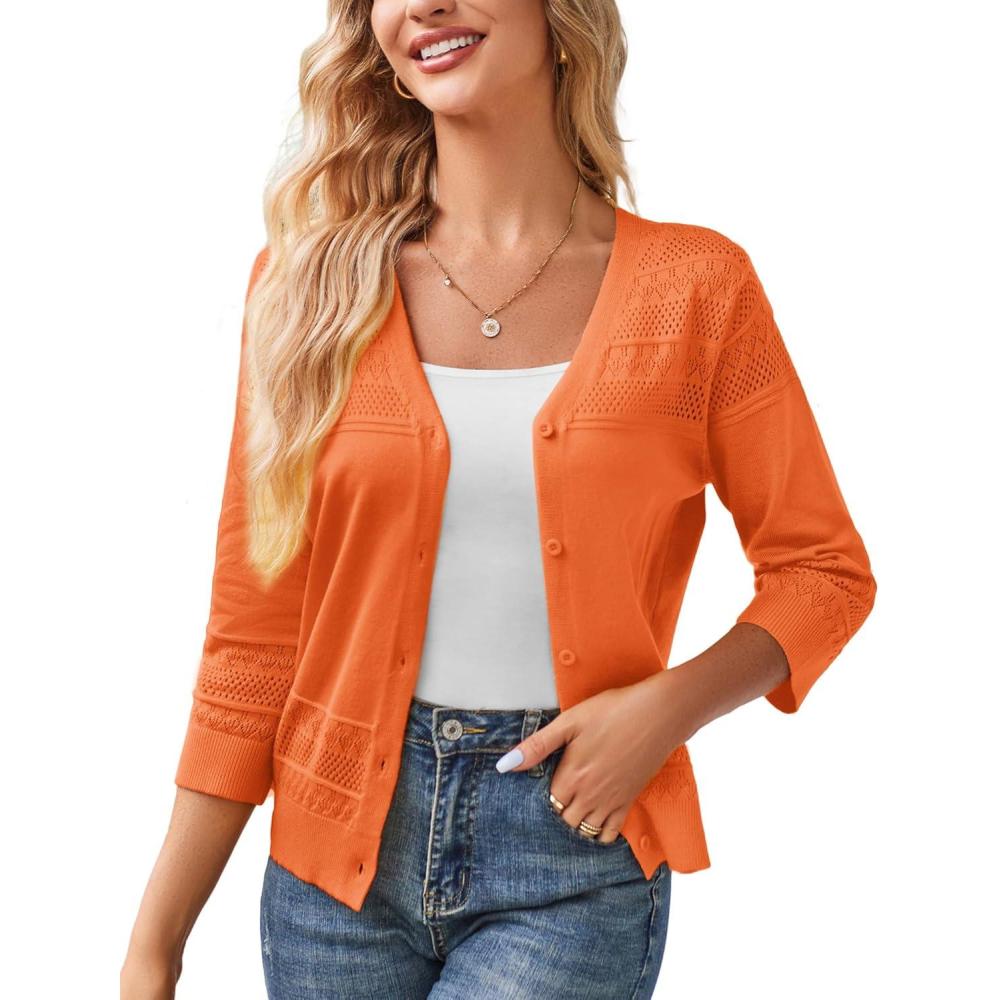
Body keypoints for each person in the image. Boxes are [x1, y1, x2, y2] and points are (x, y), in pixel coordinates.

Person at [122, 1, 877, 997]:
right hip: (331, 864)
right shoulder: (305, 293)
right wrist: (156, 944)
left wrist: (664, 711)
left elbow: (823, 573)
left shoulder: (696, 289)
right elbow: (253, 642)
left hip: (573, 848)